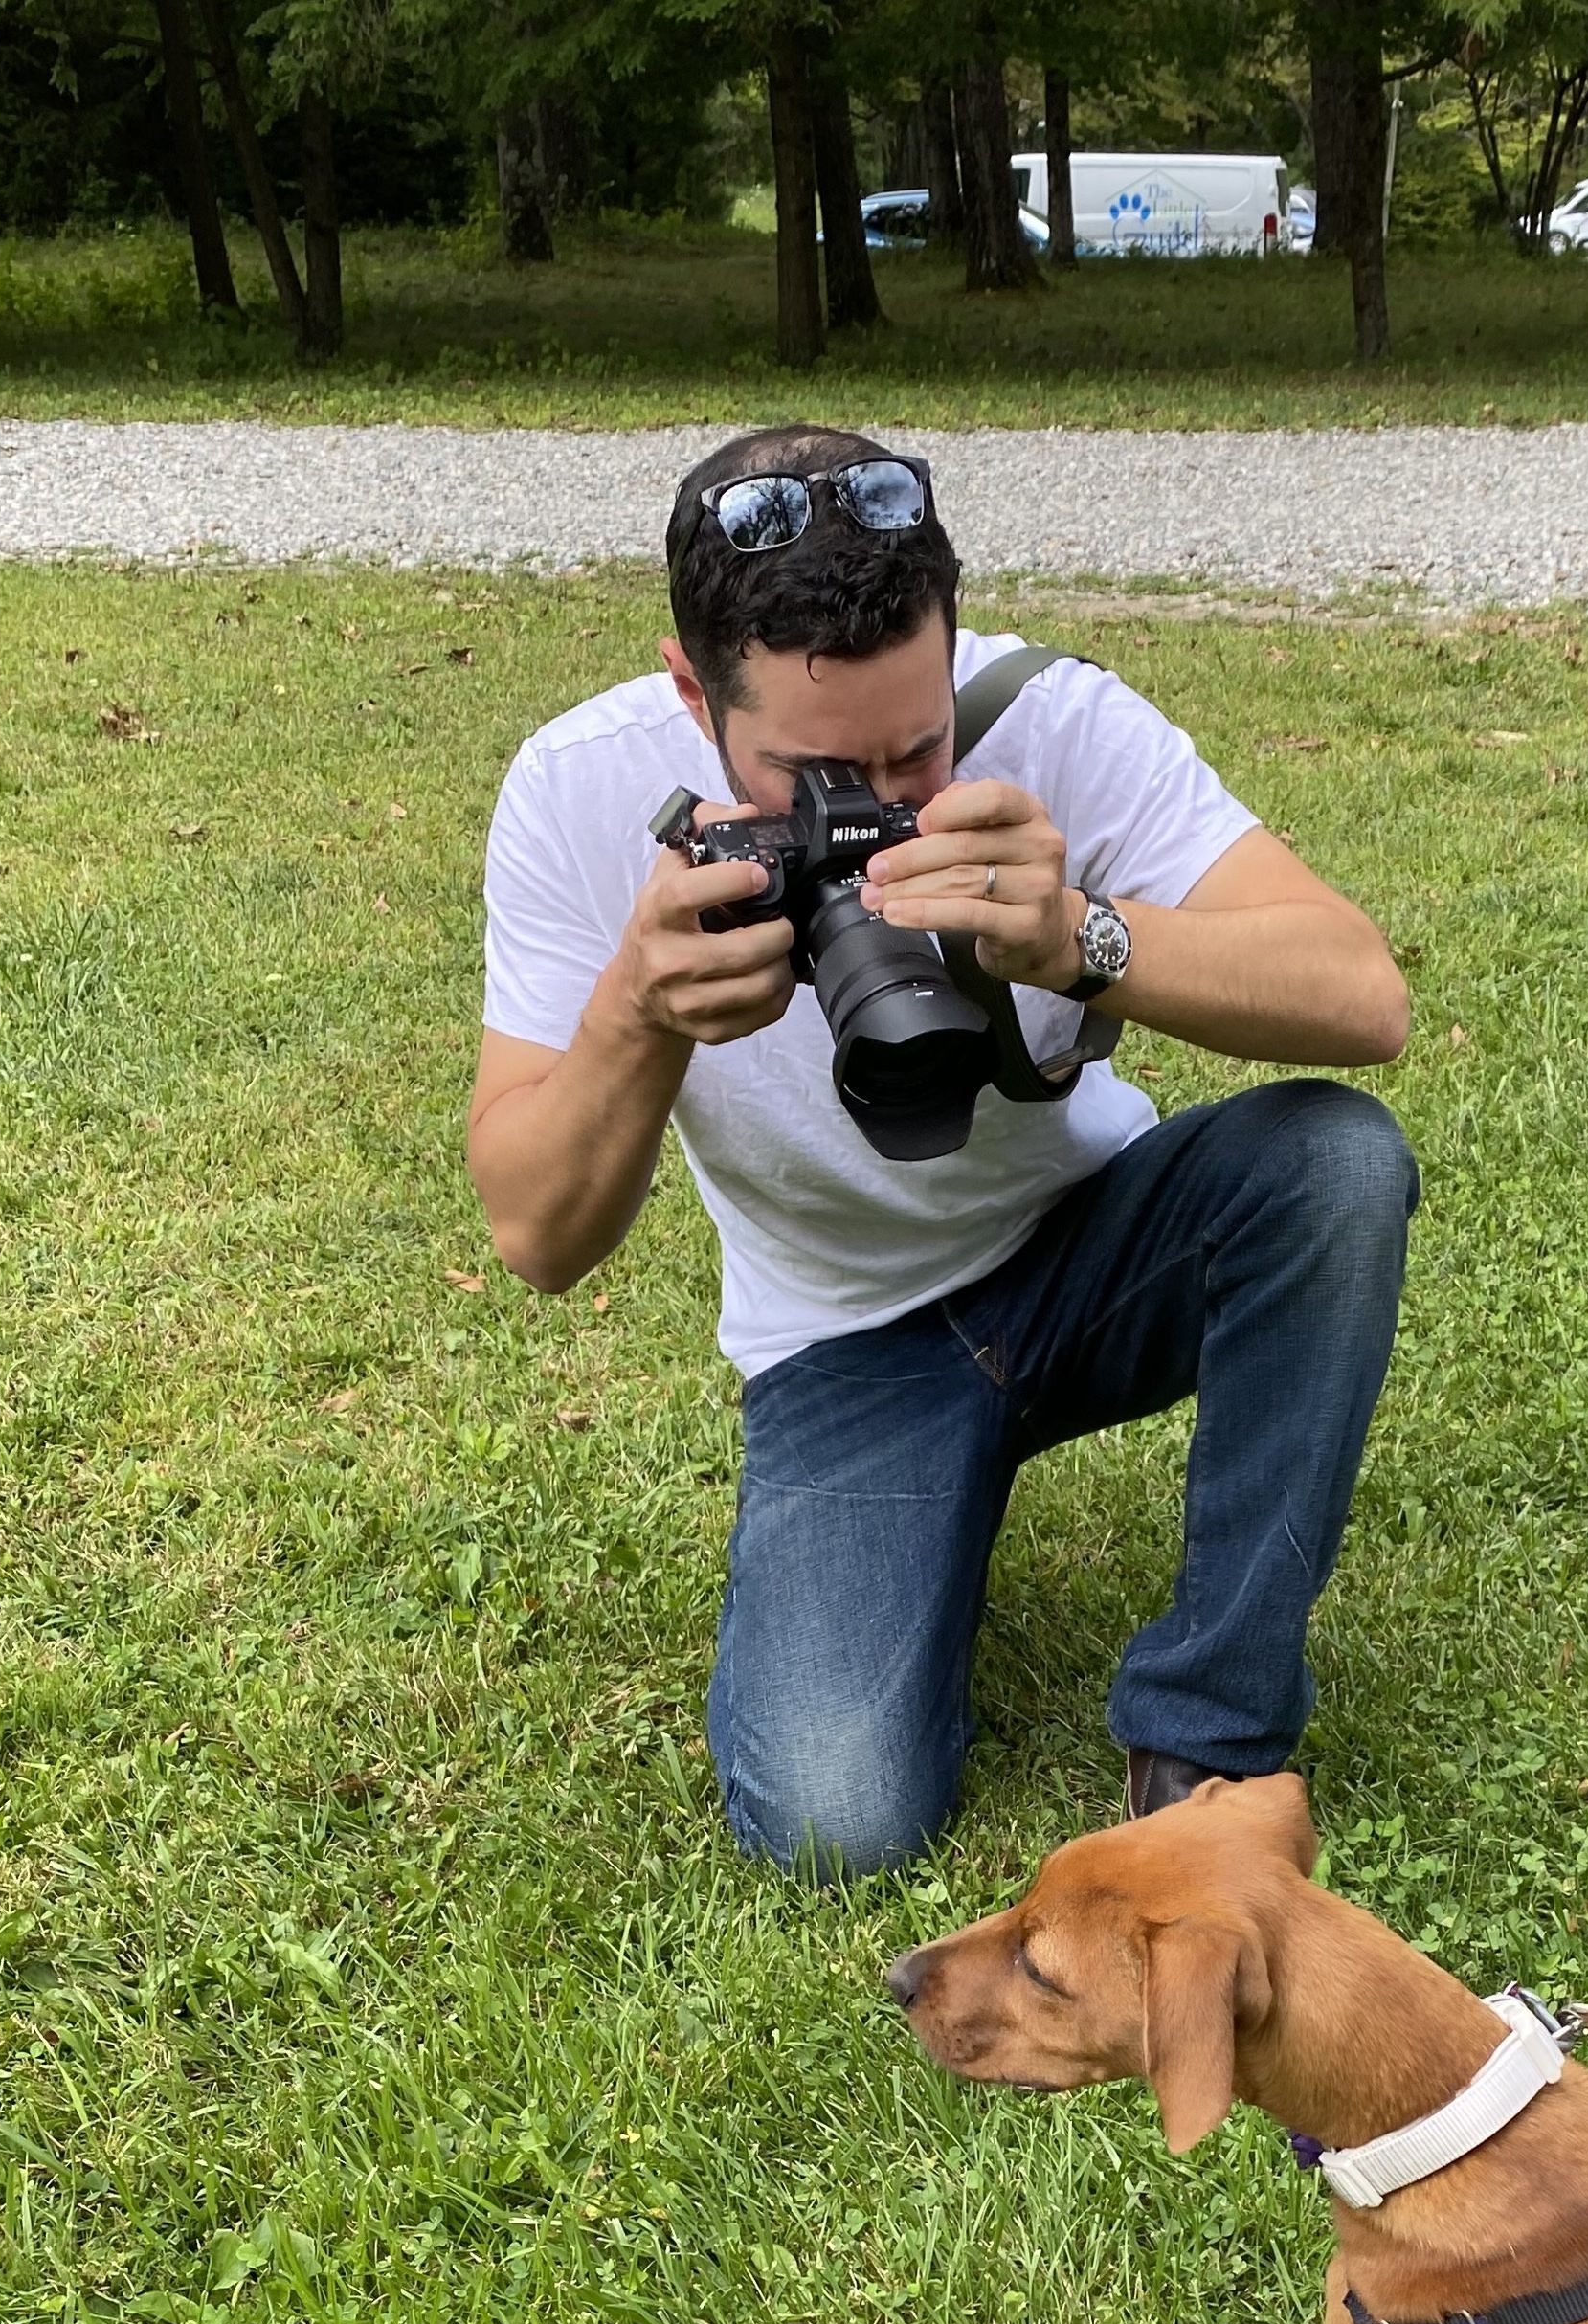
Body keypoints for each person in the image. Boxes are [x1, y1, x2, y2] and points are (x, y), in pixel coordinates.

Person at [467, 421, 1416, 1878]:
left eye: (916, 750)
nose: (879, 808)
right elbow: (538, 1236)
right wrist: (636, 1015)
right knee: (836, 1817)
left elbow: (1362, 994)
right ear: (688, 690)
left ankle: (1210, 1743)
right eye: (815, 775)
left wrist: (1083, 935)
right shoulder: (577, 793)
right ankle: (922, 1509)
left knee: (1334, 1166)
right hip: (845, 1339)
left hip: (1092, 1245)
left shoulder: (1052, 720)